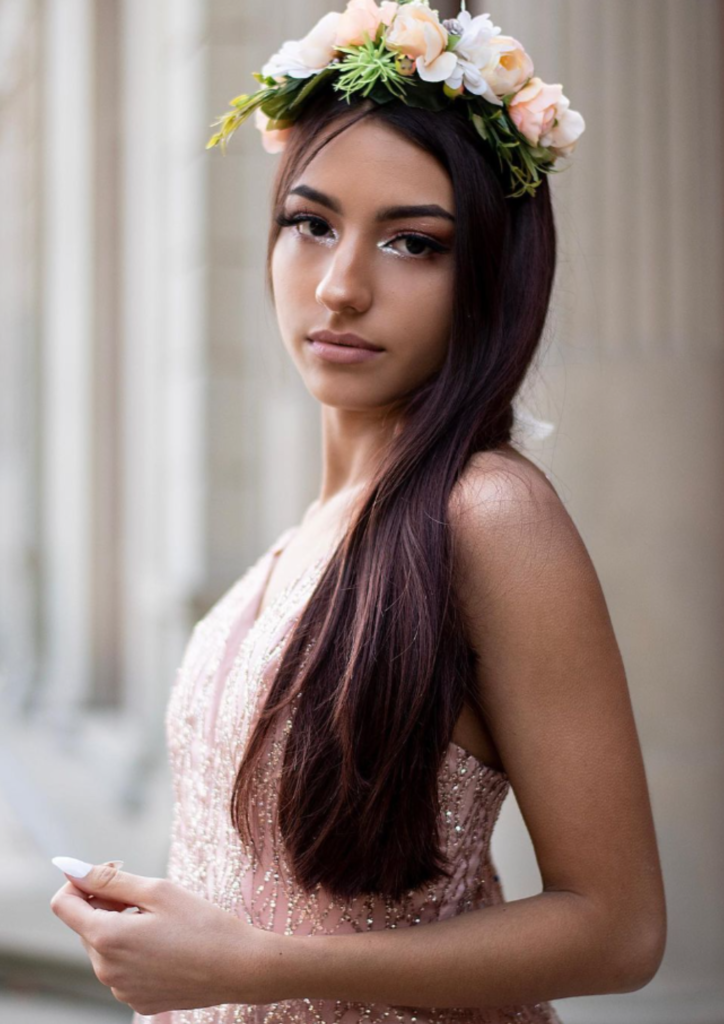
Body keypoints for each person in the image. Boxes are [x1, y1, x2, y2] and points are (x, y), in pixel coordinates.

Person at [49, 4, 666, 1022]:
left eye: (412, 243)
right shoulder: (323, 520)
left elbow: (619, 926)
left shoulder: (489, 513)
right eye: (312, 223)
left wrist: (257, 967)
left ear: (490, 277)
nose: (339, 287)